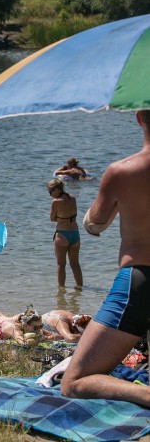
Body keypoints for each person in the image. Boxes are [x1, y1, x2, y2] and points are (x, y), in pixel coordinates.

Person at [60, 110, 150, 407]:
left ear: (139, 118)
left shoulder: (122, 171)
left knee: (73, 382)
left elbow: (95, 224)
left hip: (140, 281)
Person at [48, 179, 82, 288]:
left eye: (51, 191)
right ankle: (79, 287)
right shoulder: (73, 198)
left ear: (57, 189)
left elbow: (52, 218)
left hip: (62, 234)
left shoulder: (56, 202)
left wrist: (60, 216)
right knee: (75, 264)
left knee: (60, 264)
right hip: (75, 234)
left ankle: (61, 291)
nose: (50, 195)